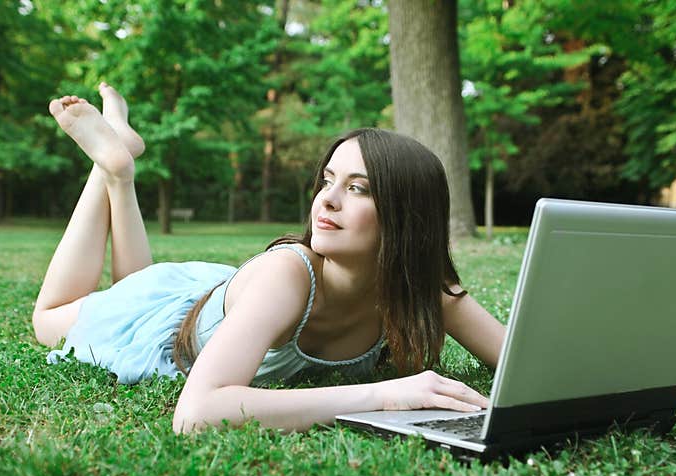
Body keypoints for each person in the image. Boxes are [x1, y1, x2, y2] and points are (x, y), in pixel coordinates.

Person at [34, 83, 506, 435]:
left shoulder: (423, 289)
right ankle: (112, 168)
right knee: (49, 318)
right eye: (327, 180)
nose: (327, 200)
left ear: (408, 217)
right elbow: (196, 413)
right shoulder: (286, 274)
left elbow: (521, 362)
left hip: (224, 300)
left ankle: (121, 167)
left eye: (357, 188)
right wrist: (385, 395)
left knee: (133, 279)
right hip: (174, 315)